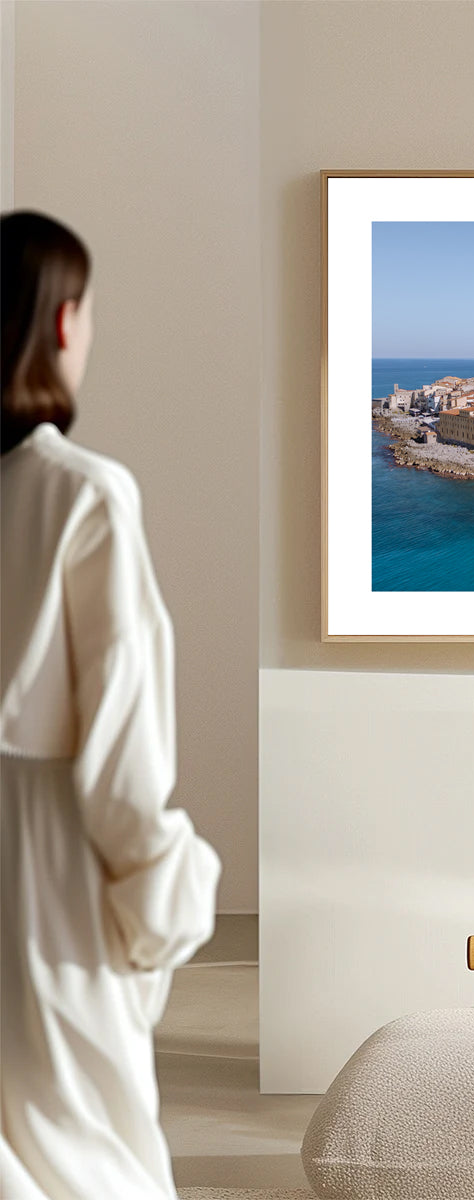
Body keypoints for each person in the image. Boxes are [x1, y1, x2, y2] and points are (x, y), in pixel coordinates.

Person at [0, 211, 221, 1199]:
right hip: (45, 869)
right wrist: (159, 900)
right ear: (61, 324)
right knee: (83, 1147)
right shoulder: (82, 495)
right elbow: (122, 750)